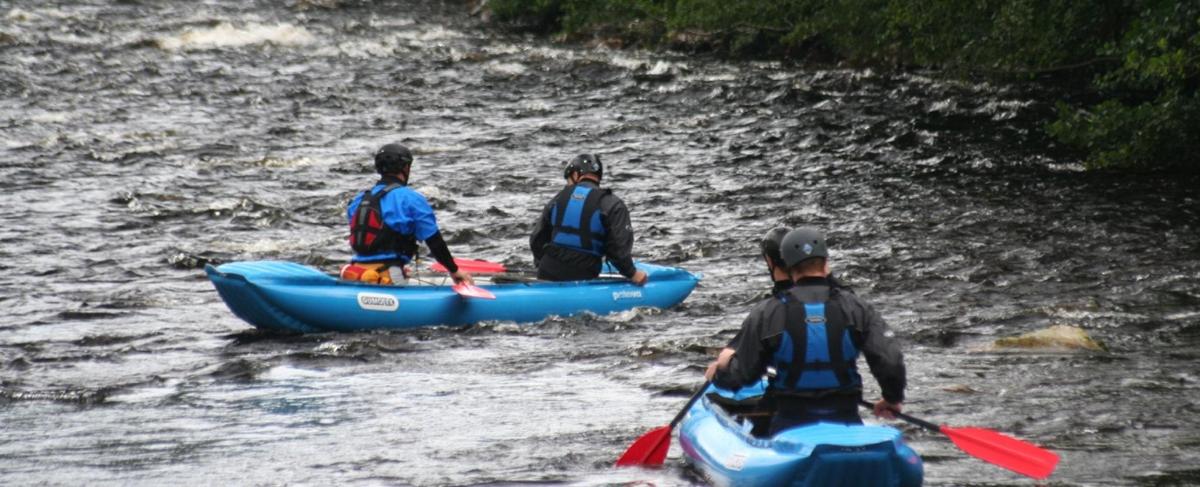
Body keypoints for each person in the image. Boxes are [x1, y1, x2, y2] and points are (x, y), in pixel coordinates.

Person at [705, 227, 906, 435]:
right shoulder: (857, 307)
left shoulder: (768, 311)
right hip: (846, 418)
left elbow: (743, 376)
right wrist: (892, 398)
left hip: (790, 423)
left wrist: (720, 373)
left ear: (789, 268)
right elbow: (890, 359)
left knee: (760, 431)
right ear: (826, 263)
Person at [342, 143, 473, 286]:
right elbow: (434, 241)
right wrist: (454, 270)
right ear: (405, 168)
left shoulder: (358, 200)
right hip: (387, 276)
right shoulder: (411, 199)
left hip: (355, 274)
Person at [529, 154, 647, 285]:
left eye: (568, 178)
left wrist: (540, 264)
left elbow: (537, 239)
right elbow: (618, 250)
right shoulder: (613, 204)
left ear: (575, 175)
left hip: (547, 271)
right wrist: (632, 273)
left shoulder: (558, 198)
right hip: (582, 274)